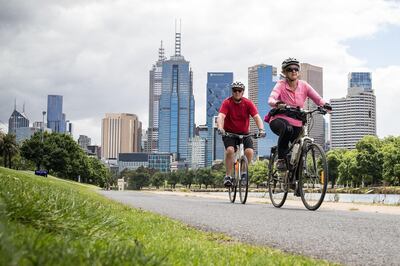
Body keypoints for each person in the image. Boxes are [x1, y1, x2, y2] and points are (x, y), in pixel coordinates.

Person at [266, 57, 332, 172]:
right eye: (290, 69)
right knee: (287, 129)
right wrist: (277, 103)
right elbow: (271, 98)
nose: (293, 71)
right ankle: (281, 159)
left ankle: (296, 183)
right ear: (285, 72)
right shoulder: (281, 85)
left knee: (300, 150)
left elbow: (317, 98)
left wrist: (325, 105)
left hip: (297, 121)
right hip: (279, 119)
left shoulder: (304, 85)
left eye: (296, 69)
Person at [217, 81, 266, 187]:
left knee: (249, 152)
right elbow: (221, 116)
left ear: (243, 92)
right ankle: (228, 176)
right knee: (230, 151)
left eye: (239, 91)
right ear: (232, 92)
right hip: (229, 133)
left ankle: (244, 173)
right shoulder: (227, 103)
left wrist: (261, 129)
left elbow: (256, 117)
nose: (237, 92)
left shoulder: (248, 103)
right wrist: (220, 128)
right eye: (235, 90)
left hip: (244, 133)